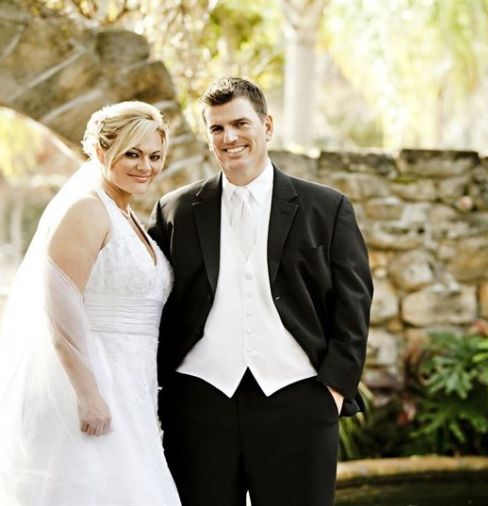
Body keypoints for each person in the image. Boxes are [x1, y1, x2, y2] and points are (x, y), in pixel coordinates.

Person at [148, 77, 373, 506]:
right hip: (200, 402)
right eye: (216, 128)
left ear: (267, 126)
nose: (229, 138)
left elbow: (354, 303)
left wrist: (333, 390)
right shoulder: (176, 209)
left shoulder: (326, 208)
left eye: (240, 124)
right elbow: (153, 301)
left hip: (299, 400)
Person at [0, 101, 181, 505]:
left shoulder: (130, 219)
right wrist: (88, 394)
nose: (145, 166)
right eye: (132, 153)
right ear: (101, 152)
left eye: (154, 156)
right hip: (96, 379)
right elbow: (59, 305)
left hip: (136, 383)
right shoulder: (86, 210)